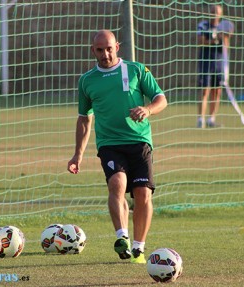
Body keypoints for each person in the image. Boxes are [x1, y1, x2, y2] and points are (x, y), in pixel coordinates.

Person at [67, 30, 167, 264]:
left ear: (117, 47)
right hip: (109, 143)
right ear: (93, 50)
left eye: (109, 48)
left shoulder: (136, 70)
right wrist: (77, 155)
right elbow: (84, 118)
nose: (105, 54)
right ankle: (121, 236)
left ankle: (139, 248)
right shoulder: (87, 80)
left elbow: (161, 99)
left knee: (142, 194)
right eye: (100, 50)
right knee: (117, 183)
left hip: (139, 141)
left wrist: (148, 110)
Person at [197, 4, 233, 128]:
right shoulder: (204, 25)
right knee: (204, 90)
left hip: (218, 63)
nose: (215, 14)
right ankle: (200, 119)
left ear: (220, 14)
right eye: (213, 11)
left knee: (217, 91)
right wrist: (214, 39)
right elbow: (200, 41)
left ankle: (211, 119)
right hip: (206, 62)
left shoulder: (223, 27)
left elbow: (226, 46)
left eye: (217, 12)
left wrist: (225, 37)